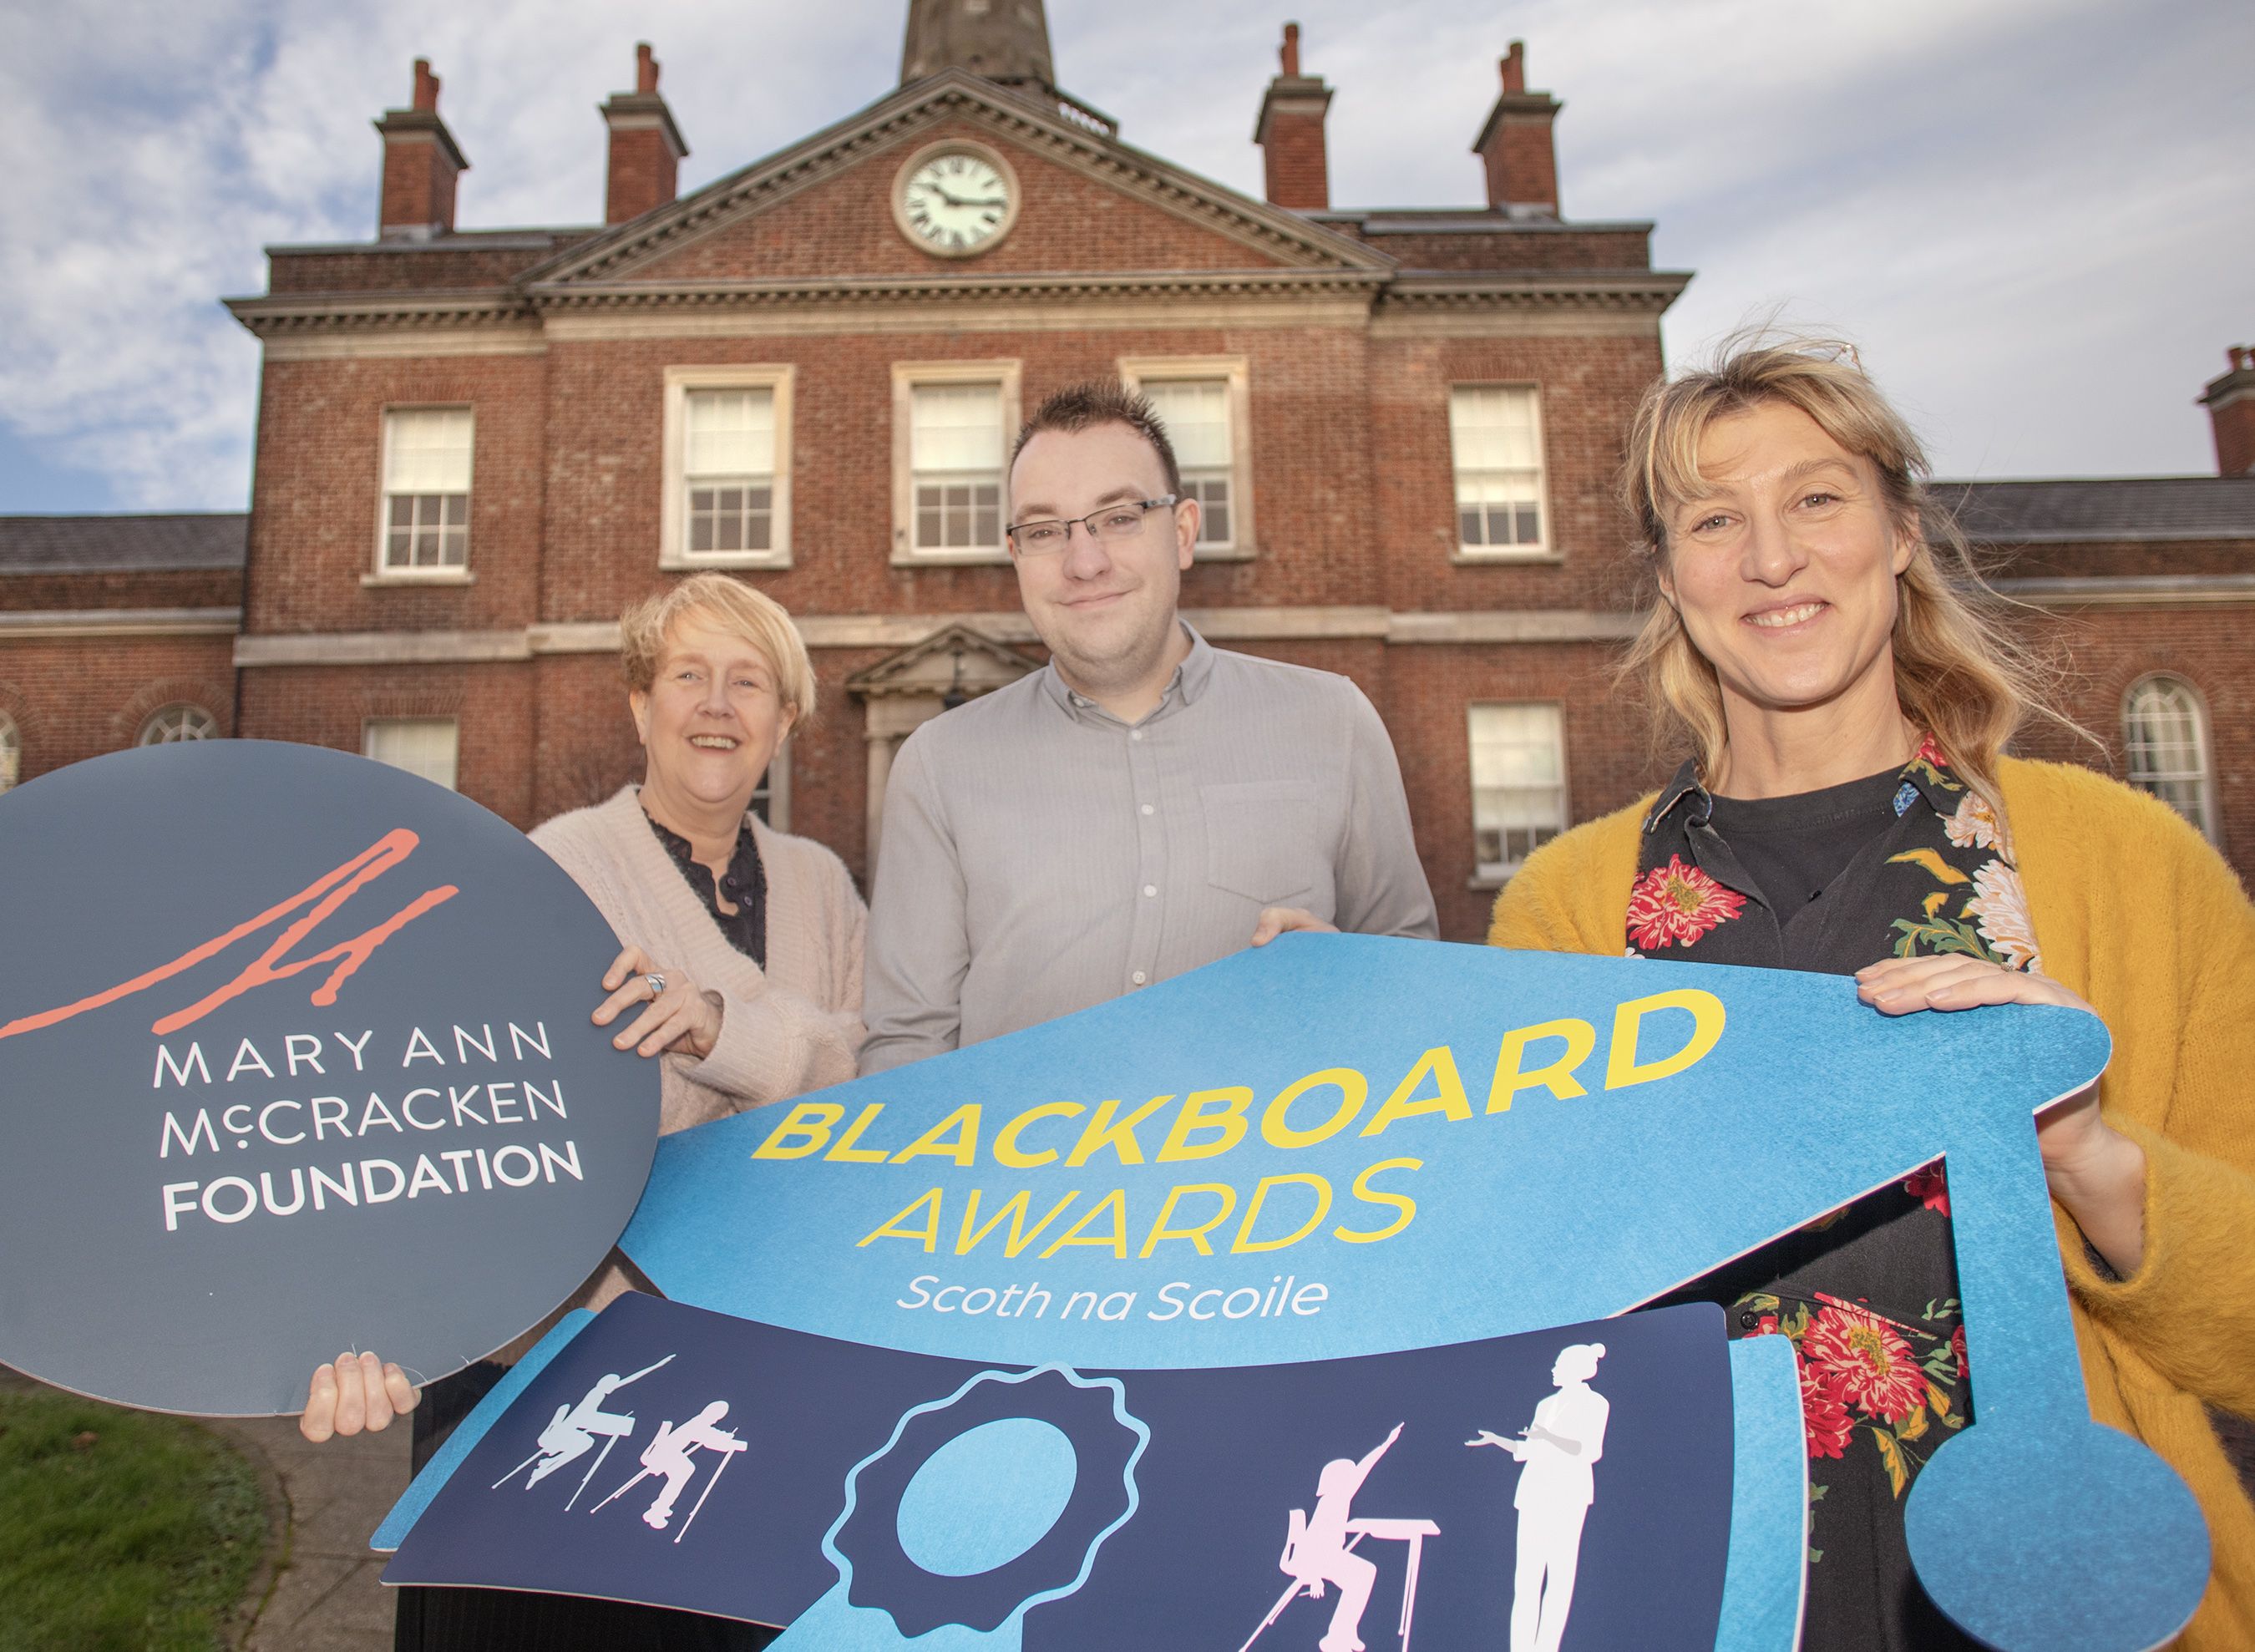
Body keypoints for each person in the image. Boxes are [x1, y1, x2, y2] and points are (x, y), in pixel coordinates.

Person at [1487, 337, 2255, 1649]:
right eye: (1714, 520)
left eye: (1818, 499)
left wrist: (2087, 1148)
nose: (1773, 558)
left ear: (1901, 531)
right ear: (1671, 576)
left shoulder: (2126, 865)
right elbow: (1505, 1293)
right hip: (1686, 1586)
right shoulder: (1563, 909)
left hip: (2045, 1596)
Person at [301, 572, 863, 1649]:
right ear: (639, 704)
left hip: (757, 1388)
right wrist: (790, 1049)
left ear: (786, 720)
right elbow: (512, 1123)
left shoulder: (824, 885)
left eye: (749, 682)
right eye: (688, 675)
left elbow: (872, 1091)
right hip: (551, 1381)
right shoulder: (556, 867)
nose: (716, 704)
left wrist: (718, 1028)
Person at [859, 380, 1437, 1073]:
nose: (1084, 561)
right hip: (1029, 1181)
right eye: (1045, 531)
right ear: (1017, 557)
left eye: (1120, 516)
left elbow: (1413, 990)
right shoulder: (937, 766)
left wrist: (1349, 980)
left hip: (1277, 1177)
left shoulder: (1334, 722)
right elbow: (905, 1050)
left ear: (1185, 532)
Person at [1469, 1344, 1609, 1652]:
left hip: (1568, 1495)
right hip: (1533, 1494)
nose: (1553, 1370)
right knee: (1527, 1580)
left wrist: (1548, 1438)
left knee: (1559, 1577)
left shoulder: (1596, 1404)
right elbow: (1528, 1450)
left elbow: (1589, 1451)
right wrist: (1497, 1441)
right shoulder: (1546, 1405)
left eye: (1558, 1364)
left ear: (1574, 1368)